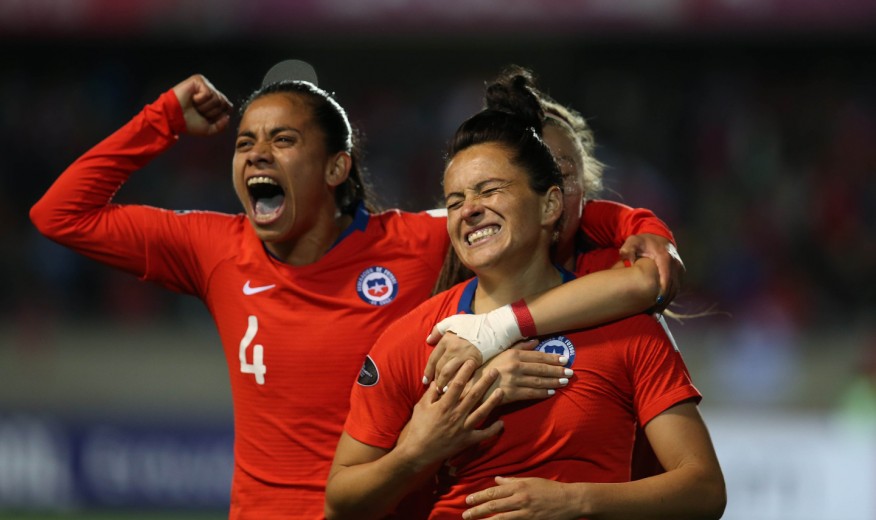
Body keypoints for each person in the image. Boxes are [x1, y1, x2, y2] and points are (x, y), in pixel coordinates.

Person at [30, 68, 682, 519]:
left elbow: (533, 215)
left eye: (283, 140)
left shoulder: (421, 240)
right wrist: (164, 117)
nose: (257, 156)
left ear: (337, 167)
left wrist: (637, 225)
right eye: (245, 144)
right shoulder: (212, 248)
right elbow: (61, 214)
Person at [326, 70, 725, 519]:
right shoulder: (416, 338)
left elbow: (705, 490)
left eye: (489, 189)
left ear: (551, 204)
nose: (469, 208)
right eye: (454, 201)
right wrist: (418, 451)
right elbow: (340, 506)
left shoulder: (628, 323)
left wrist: (573, 500)